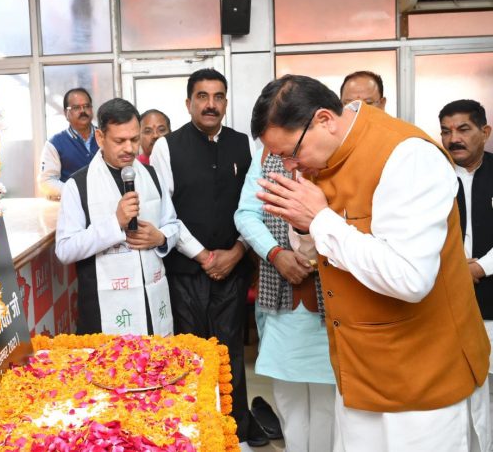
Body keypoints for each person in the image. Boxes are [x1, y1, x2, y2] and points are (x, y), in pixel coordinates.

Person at [253, 74, 490, 452]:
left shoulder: (407, 156)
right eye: (280, 158)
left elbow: (411, 278)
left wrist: (320, 220)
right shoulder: (322, 157)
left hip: (421, 377)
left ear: (324, 120)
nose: (289, 165)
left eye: (291, 153)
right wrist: (303, 226)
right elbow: (320, 255)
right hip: (357, 368)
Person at [150, 68, 267, 447]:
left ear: (226, 102)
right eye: (202, 96)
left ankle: (236, 433)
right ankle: (194, 435)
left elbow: (255, 205)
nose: (210, 104)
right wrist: (202, 256)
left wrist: (238, 251)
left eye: (218, 97)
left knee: (230, 353)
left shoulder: (243, 144)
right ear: (189, 103)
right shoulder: (167, 147)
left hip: (233, 267)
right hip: (185, 270)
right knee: (191, 354)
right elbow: (165, 211)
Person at [235, 145, 335, 452]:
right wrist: (275, 253)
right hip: (281, 296)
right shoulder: (267, 156)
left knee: (328, 401)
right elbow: (246, 214)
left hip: (332, 296)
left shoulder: (333, 150)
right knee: (289, 400)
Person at [55, 98, 179, 336]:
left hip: (152, 302)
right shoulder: (77, 185)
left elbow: (173, 224)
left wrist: (161, 238)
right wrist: (115, 224)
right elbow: (65, 249)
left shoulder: (152, 175)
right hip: (104, 310)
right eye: (120, 141)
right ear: (100, 138)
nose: (130, 149)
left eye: (134, 139)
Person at [439, 99, 493, 426]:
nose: (453, 139)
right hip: (447, 302)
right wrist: (454, 268)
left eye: (463, 129)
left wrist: (480, 267)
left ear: (485, 132)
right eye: (446, 131)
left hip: (490, 300)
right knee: (462, 397)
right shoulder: (432, 176)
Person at [38, 88, 99, 201]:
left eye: (86, 106)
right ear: (66, 113)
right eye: (76, 107)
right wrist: (76, 192)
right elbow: (46, 181)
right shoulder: (55, 143)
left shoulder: (105, 136)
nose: (83, 111)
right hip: (73, 204)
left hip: (106, 203)